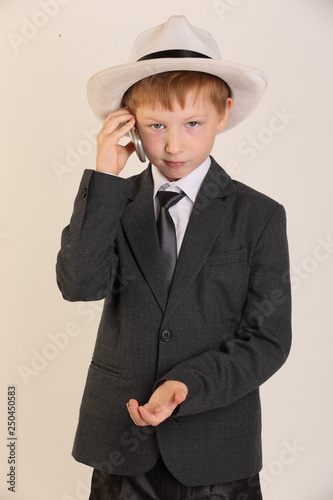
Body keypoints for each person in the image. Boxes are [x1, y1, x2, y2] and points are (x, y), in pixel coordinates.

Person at [56, 15, 291, 500]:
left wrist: (187, 385)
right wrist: (105, 178)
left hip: (217, 451)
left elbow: (269, 338)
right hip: (122, 447)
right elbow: (79, 284)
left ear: (223, 114)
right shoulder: (113, 203)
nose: (174, 143)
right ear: (128, 122)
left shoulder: (259, 216)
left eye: (192, 123)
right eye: (156, 125)